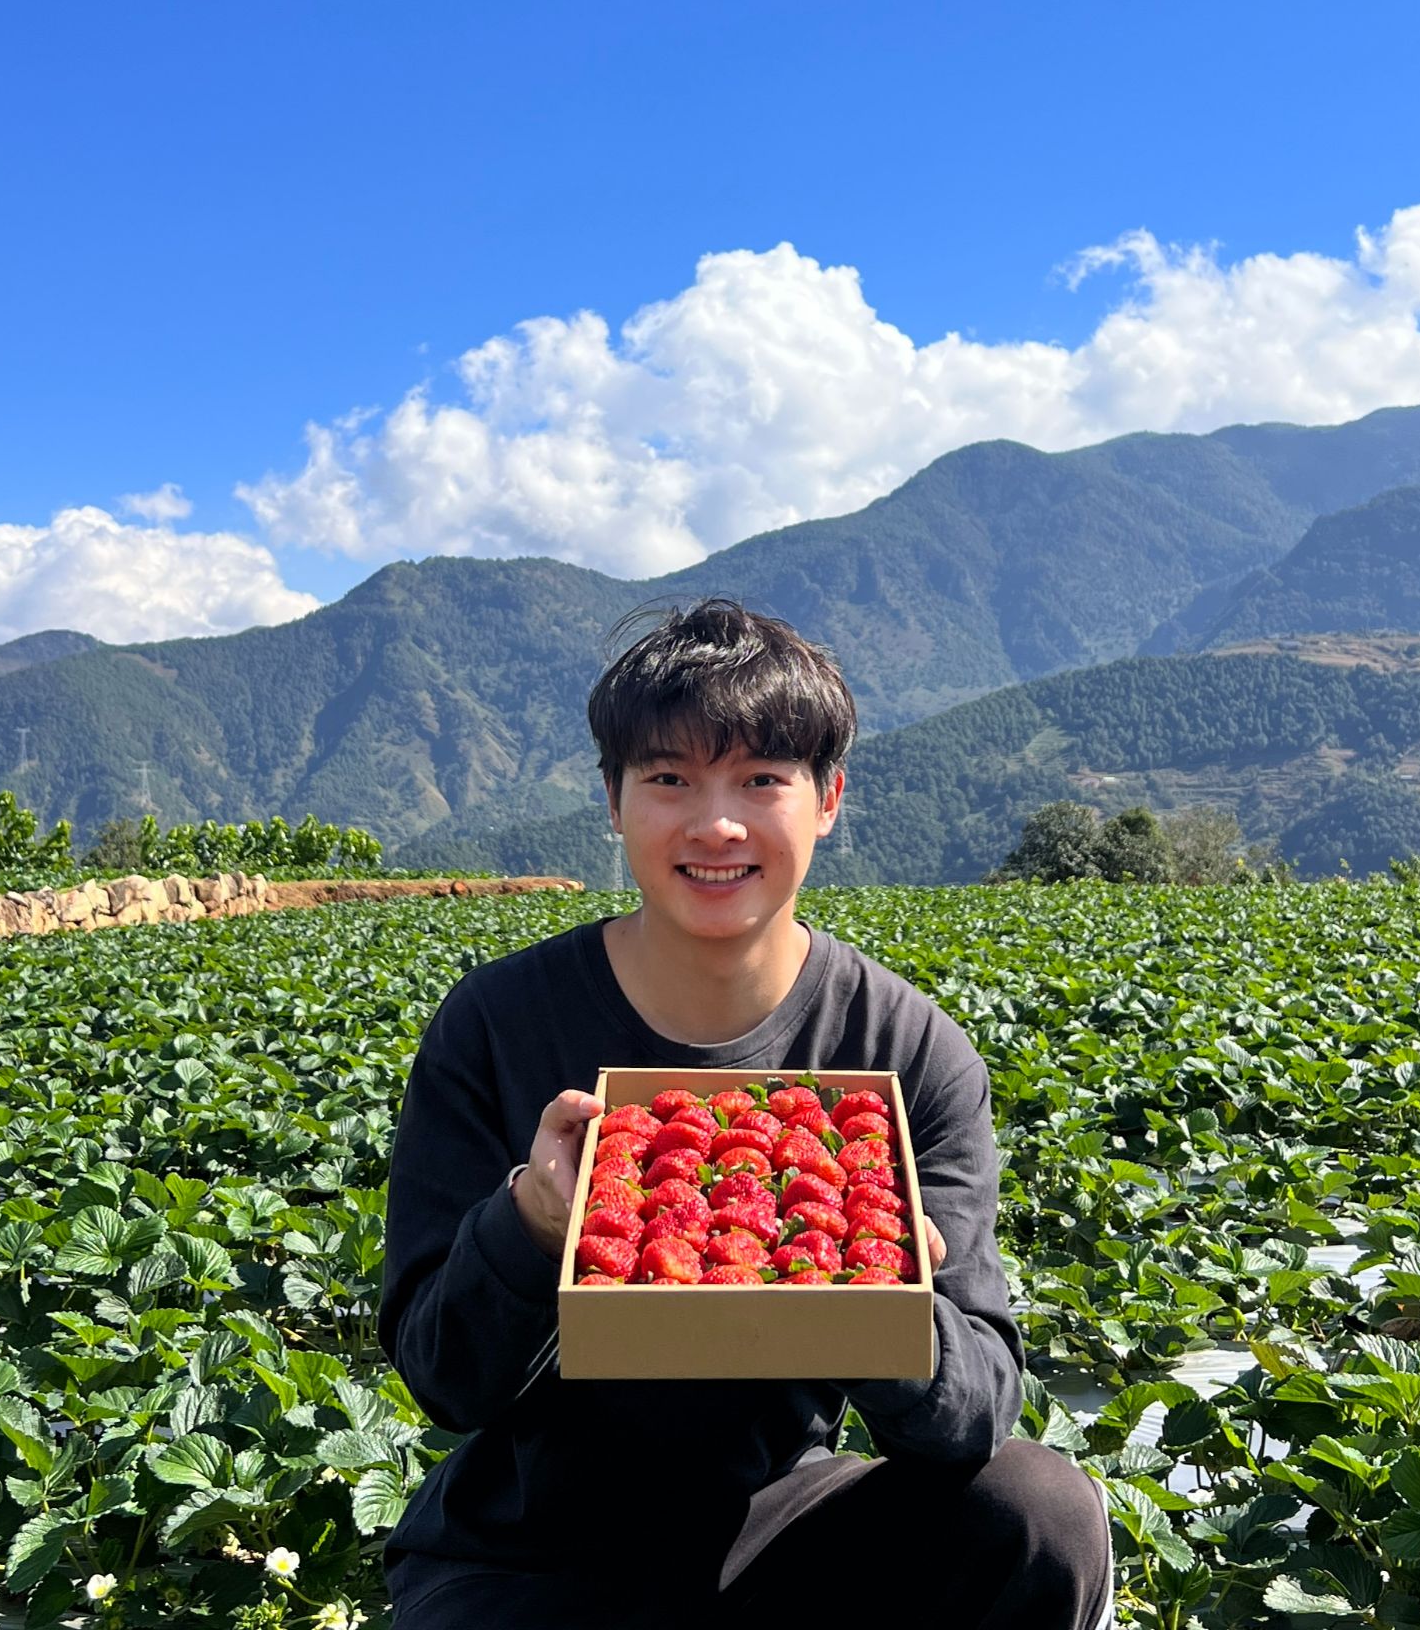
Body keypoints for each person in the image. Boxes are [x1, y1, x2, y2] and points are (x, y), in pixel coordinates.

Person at [375, 598, 1113, 1629]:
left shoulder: (902, 1048)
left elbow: (978, 1401)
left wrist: (883, 1293)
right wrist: (530, 1224)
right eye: (668, 778)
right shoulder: (497, 1025)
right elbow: (441, 1378)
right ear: (614, 798)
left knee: (1037, 1509)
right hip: (530, 1548)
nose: (714, 823)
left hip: (784, 1524)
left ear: (827, 799)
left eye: (760, 779)